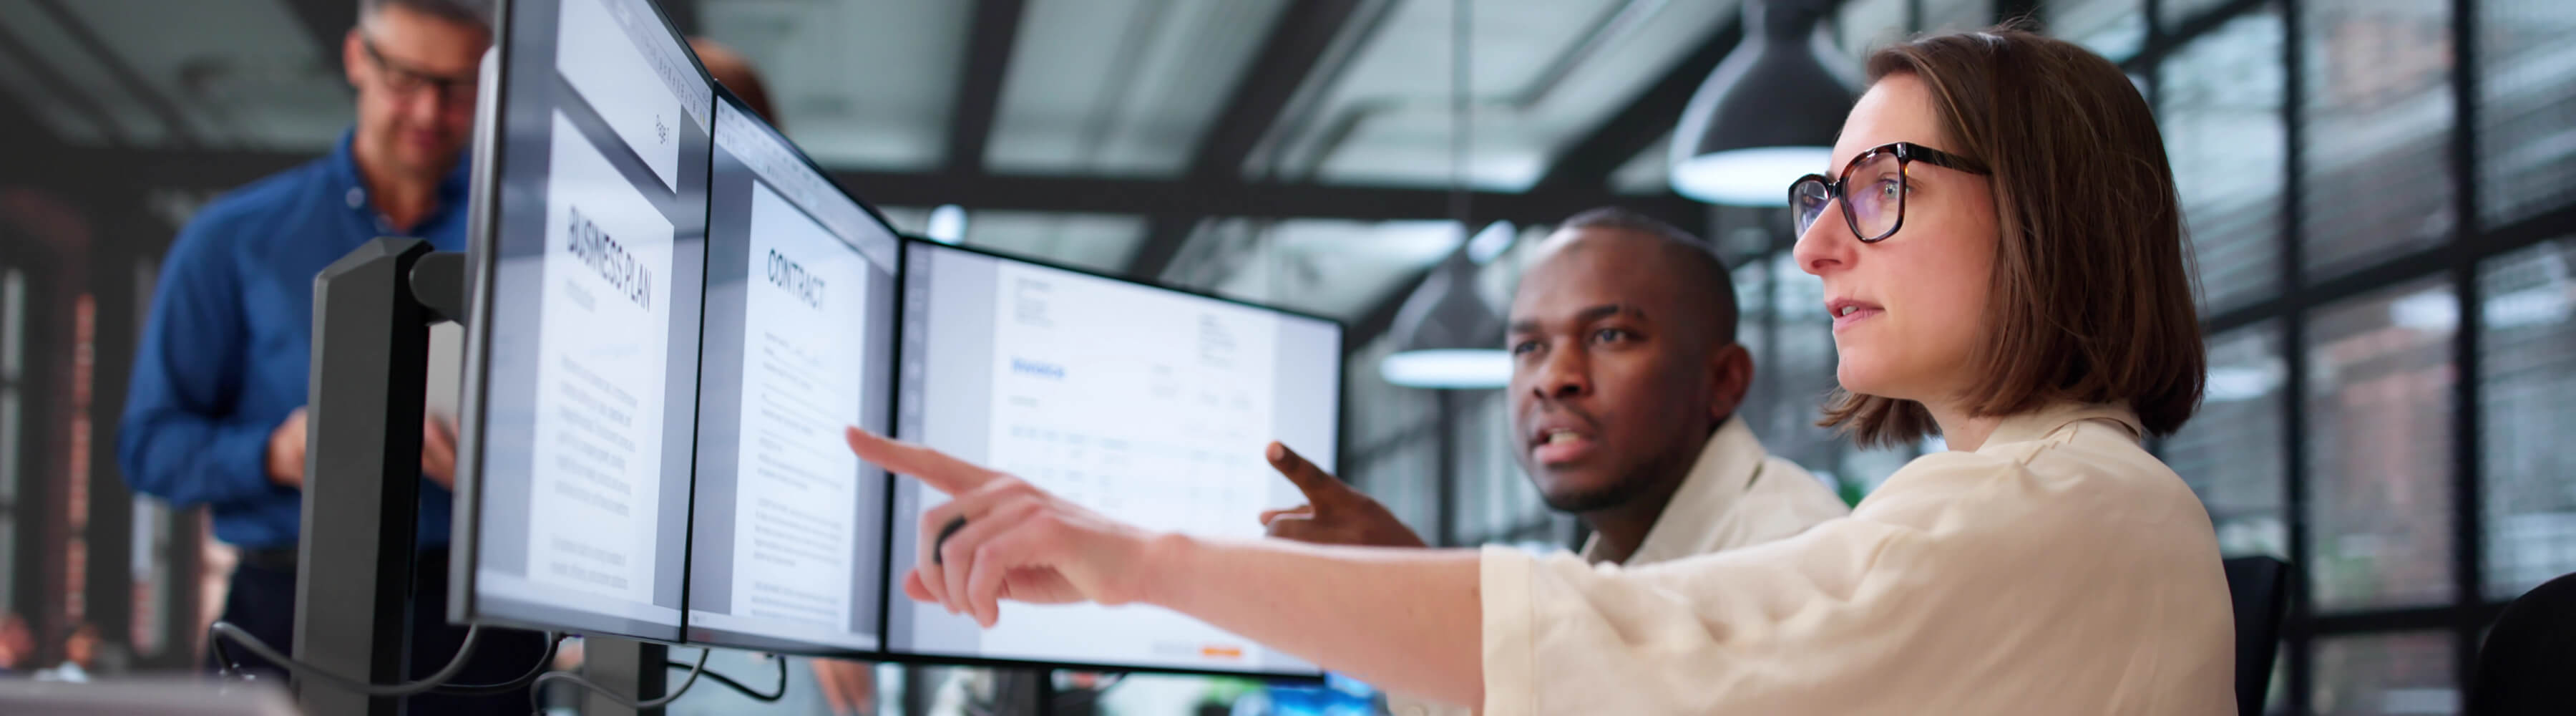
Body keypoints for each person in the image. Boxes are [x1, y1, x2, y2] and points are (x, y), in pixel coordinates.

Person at [842, 26, 2230, 714]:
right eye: (1818, 192)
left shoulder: (2061, 508)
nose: (1814, 246)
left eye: (1878, 188)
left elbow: (1622, 648)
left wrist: (1138, 556)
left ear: (2047, 206)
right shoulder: (2032, 493)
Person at [116, 0, 546, 710]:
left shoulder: (529, 240)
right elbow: (149, 448)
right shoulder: (232, 238)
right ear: (356, 57)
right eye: (405, 78)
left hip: (479, 631)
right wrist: (278, 453)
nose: (430, 113)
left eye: (459, 87)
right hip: (283, 614)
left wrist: (508, 462)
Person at [1259, 208, 1848, 571]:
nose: (1552, 379)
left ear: (1723, 381)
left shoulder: (1792, 556)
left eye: (1611, 335)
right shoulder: (1615, 567)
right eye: (1527, 348)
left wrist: (1411, 591)